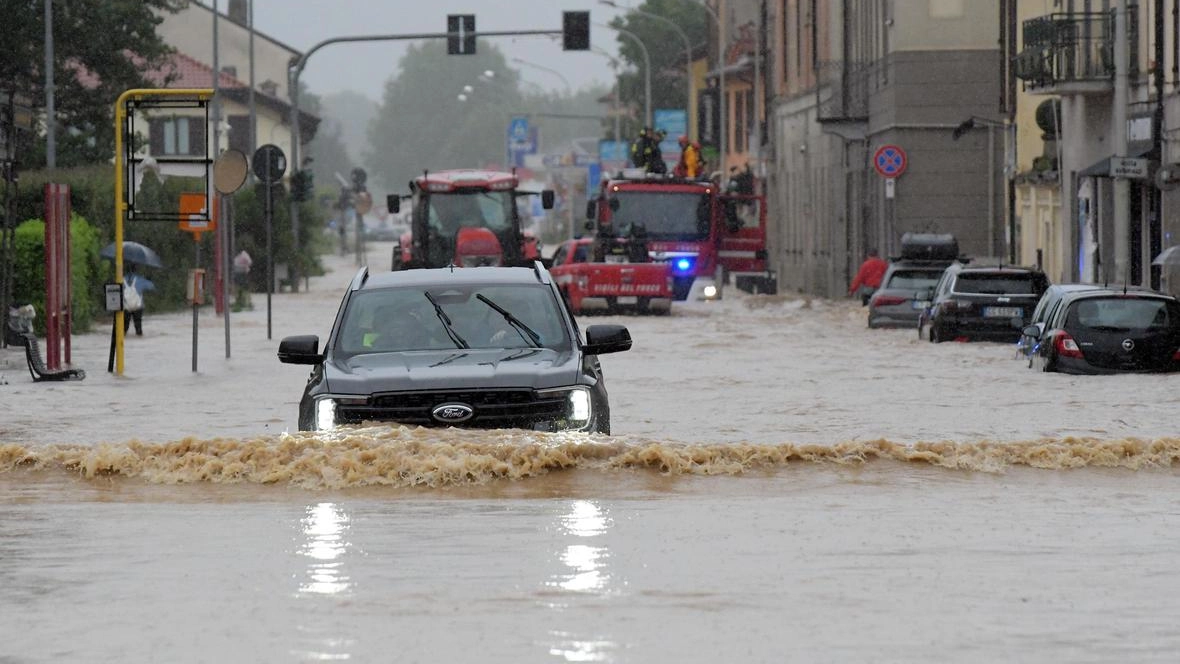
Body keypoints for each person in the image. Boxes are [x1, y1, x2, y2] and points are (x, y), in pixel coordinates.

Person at [123, 270, 155, 336]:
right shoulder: (140, 279)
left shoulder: (120, 279)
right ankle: (139, 335)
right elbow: (151, 287)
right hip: (138, 307)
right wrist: (149, 279)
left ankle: (123, 337)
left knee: (124, 326)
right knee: (138, 326)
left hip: (125, 307)